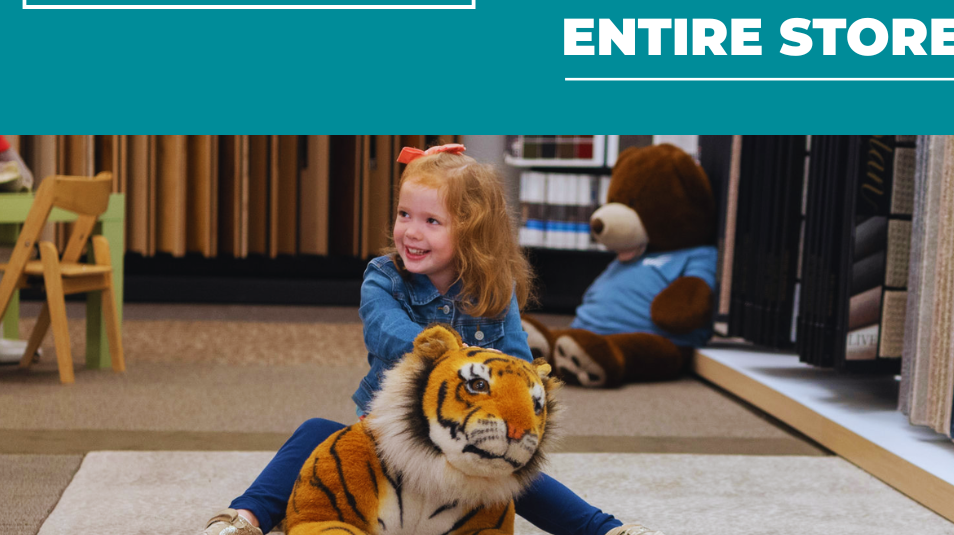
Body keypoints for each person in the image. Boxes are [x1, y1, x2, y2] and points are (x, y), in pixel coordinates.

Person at [203, 144, 659, 535]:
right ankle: (247, 515)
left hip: (469, 444)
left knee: (523, 475)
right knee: (316, 433)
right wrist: (453, 359)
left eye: (431, 221)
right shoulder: (382, 278)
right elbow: (388, 335)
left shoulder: (496, 291)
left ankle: (604, 528)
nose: (411, 232)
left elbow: (517, 366)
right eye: (404, 214)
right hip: (393, 439)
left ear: (472, 232)